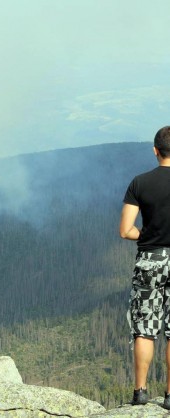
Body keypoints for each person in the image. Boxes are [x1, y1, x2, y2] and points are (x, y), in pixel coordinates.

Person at [120, 125, 170, 408]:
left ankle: (140, 393)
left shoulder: (139, 183)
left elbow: (126, 230)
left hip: (150, 260)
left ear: (155, 151)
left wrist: (149, 234)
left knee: (145, 328)